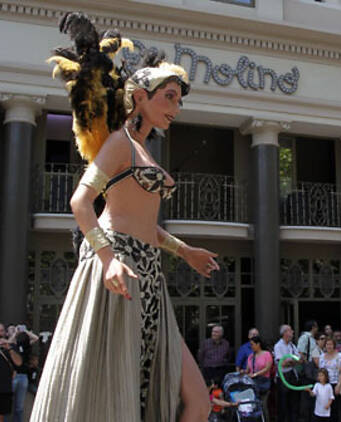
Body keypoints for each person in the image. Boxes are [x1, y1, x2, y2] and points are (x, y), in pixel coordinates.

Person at [31, 12, 218, 422]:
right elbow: (81, 203)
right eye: (168, 96)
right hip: (116, 270)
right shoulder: (119, 144)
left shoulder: (148, 152)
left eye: (178, 99)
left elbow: (146, 224)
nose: (176, 107)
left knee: (197, 401)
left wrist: (183, 250)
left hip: (151, 274)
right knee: (113, 397)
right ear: (139, 96)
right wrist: (107, 259)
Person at [6, 325, 38, 422]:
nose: (15, 330)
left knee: (19, 407)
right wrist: (15, 333)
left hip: (23, 376)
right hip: (11, 376)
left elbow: (35, 338)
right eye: (11, 329)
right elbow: (9, 342)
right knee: (7, 405)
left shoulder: (23, 344)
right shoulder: (8, 344)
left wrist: (25, 331)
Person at [274, 325, 301, 422]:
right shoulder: (278, 346)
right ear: (285, 333)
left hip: (293, 375)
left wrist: (290, 361)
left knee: (293, 402)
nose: (293, 332)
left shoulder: (292, 345)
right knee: (283, 403)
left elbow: (299, 360)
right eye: (290, 330)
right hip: (283, 377)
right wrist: (292, 361)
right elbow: (282, 363)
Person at [297, 320, 320, 421]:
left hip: (312, 369)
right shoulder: (304, 337)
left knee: (312, 395)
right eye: (316, 327)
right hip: (308, 369)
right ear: (313, 327)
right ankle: (304, 418)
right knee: (306, 395)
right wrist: (305, 362)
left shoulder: (312, 339)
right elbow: (300, 352)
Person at [246, 335, 272, 420]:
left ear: (258, 344)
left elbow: (267, 368)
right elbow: (248, 369)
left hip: (263, 381)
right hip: (253, 383)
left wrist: (256, 374)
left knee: (263, 405)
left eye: (253, 344)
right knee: (253, 405)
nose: (251, 347)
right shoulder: (251, 356)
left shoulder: (267, 354)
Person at [319, 338, 341, 421]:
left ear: (334, 345)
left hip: (335, 383)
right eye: (327, 344)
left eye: (331, 344)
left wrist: (339, 385)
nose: (329, 346)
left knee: (336, 408)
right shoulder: (322, 356)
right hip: (325, 384)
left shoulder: (339, 356)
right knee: (325, 407)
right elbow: (321, 371)